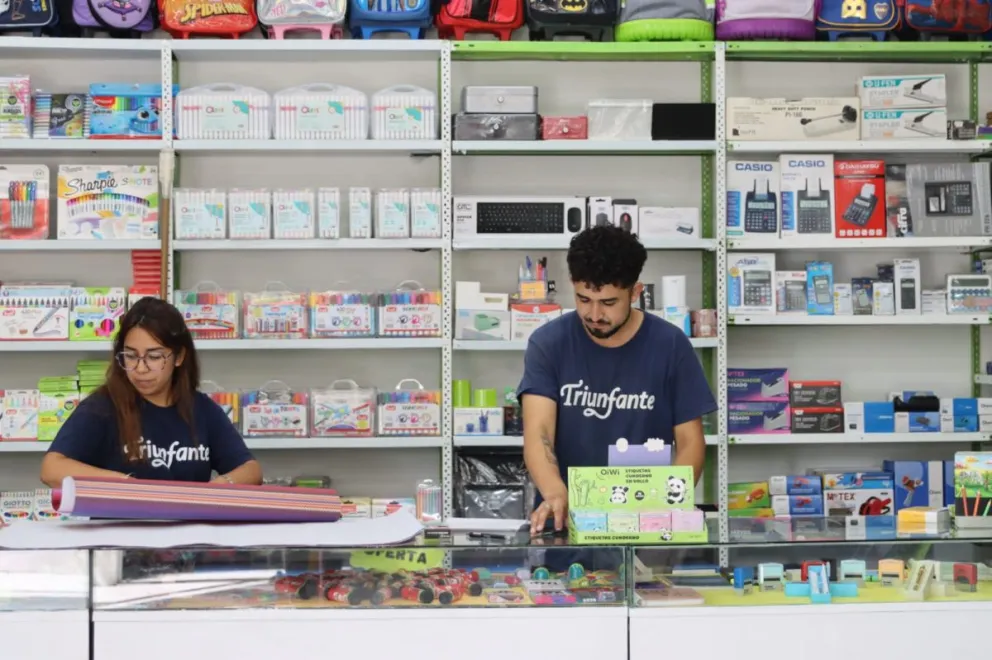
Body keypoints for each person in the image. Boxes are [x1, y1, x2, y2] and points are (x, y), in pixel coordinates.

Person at [519, 226, 718, 535]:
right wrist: (556, 494)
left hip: (647, 526)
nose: (594, 314)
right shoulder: (548, 343)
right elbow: (538, 432)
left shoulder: (671, 345)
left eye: (609, 303)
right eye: (584, 299)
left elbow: (690, 441)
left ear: (635, 292)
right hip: (569, 523)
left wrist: (667, 502)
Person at [40, 297, 262, 487]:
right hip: (120, 534)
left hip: (188, 532)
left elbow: (251, 471)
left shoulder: (200, 408)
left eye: (154, 357)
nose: (140, 368)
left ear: (179, 357)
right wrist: (127, 486)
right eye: (131, 355)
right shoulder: (102, 407)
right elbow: (52, 469)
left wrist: (216, 489)